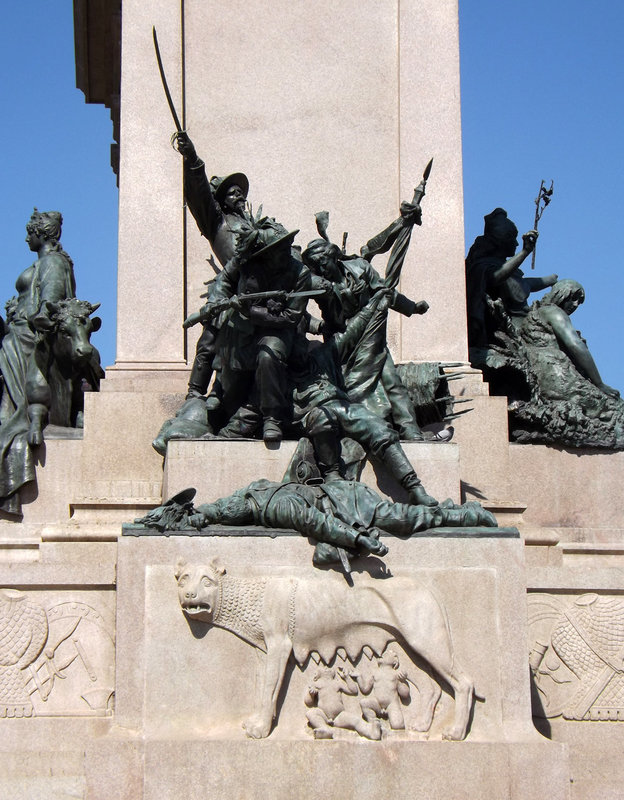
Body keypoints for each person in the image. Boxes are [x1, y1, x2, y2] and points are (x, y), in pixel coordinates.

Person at [301, 204, 428, 439]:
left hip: (371, 333)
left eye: (322, 262)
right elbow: (335, 321)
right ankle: (359, 427)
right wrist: (346, 300)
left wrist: (412, 308)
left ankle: (410, 429)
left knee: (391, 379)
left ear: (332, 257)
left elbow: (385, 293)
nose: (320, 269)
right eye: (315, 266)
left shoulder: (360, 267)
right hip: (344, 341)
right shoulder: (321, 287)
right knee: (349, 388)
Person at [182, 474, 497, 567]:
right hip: (334, 498)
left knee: (402, 519)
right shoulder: (247, 491)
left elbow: (318, 525)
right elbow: (219, 508)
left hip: (348, 502)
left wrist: (358, 539)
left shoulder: (278, 507)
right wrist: (201, 515)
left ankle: (467, 512)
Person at [203, 219, 316, 443]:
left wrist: (255, 312)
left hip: (277, 330)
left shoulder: (300, 273)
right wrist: (217, 300)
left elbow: (291, 317)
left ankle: (272, 418)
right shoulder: (247, 261)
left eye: (287, 245)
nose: (286, 251)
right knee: (232, 379)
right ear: (267, 252)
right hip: (241, 331)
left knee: (268, 355)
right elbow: (225, 279)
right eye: (280, 248)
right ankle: (227, 414)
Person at [0, 210, 77, 515]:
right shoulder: (46, 262)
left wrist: (22, 319)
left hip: (26, 342)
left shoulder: (52, 263)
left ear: (42, 233)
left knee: (10, 418)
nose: (25, 237)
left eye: (29, 231)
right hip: (17, 336)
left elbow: (50, 309)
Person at [173, 131, 254, 400]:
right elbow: (199, 195)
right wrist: (193, 159)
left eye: (241, 193)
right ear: (220, 201)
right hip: (231, 291)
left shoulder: (258, 225)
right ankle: (195, 392)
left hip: (261, 293)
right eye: (232, 193)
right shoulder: (217, 223)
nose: (239, 197)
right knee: (210, 342)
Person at [465, 208, 558, 352]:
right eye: (513, 239)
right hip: (508, 331)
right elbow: (495, 277)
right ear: (502, 241)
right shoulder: (483, 266)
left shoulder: (503, 266)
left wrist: (550, 280)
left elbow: (522, 284)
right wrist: (524, 252)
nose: (516, 243)